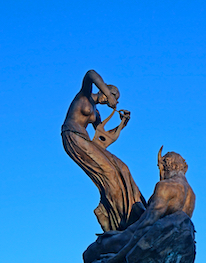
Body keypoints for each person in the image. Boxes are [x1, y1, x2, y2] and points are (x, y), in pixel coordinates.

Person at [62, 70, 146, 232]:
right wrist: (110, 94)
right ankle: (119, 218)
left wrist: (122, 124)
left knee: (122, 168)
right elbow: (90, 74)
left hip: (86, 141)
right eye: (112, 95)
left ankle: (134, 207)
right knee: (110, 174)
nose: (111, 99)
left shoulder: (97, 112)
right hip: (72, 135)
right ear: (103, 90)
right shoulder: (84, 95)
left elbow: (102, 140)